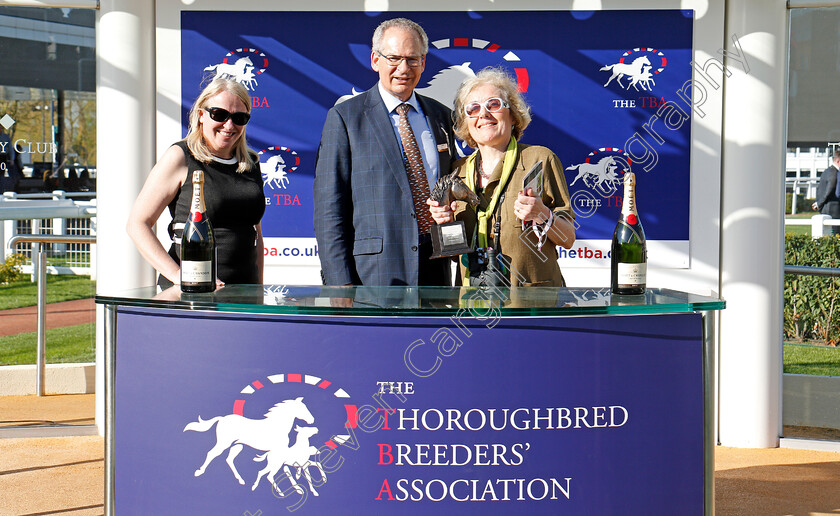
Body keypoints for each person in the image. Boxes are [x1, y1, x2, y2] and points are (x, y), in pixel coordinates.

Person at [313, 17, 458, 286]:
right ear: (375, 60)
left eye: (413, 59)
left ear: (424, 63)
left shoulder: (442, 116)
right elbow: (329, 210)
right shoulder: (345, 118)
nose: (404, 68)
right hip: (373, 275)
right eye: (393, 58)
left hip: (435, 271)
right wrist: (339, 282)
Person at [428, 67, 576, 287]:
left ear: (513, 115)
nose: (483, 114)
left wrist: (542, 214)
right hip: (474, 306)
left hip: (531, 305)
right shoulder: (456, 173)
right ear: (466, 123)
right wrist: (446, 224)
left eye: (494, 104)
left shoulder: (540, 159)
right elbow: (454, 256)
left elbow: (567, 239)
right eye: (473, 108)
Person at [127, 78, 265, 289]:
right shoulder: (181, 157)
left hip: (243, 294)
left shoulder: (250, 164)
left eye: (239, 117)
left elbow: (255, 235)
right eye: (219, 114)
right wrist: (178, 276)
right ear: (201, 115)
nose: (229, 125)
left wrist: (259, 290)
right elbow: (137, 224)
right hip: (193, 293)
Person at [812, 150, 840, 235]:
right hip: (833, 210)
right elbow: (829, 189)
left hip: (826, 209)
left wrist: (818, 203)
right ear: (838, 161)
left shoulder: (827, 171)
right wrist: (819, 203)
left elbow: (820, 189)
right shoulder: (834, 173)